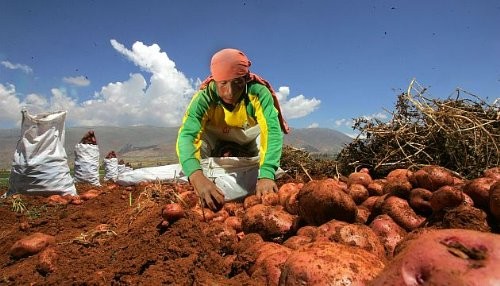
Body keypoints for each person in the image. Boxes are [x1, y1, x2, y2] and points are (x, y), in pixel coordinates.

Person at [176, 48, 289, 210]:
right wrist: (196, 176)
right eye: (223, 84)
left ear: (245, 79)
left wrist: (266, 174)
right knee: (197, 147)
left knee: (264, 142)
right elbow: (187, 135)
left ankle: (254, 163)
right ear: (215, 81)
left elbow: (271, 130)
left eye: (238, 83)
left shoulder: (258, 92)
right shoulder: (204, 98)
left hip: (248, 137)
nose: (230, 92)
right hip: (216, 137)